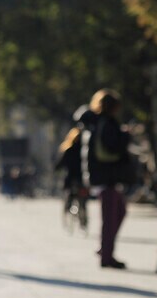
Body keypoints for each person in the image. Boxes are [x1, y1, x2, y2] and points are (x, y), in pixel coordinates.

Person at [80, 90, 131, 269]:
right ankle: (106, 257)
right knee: (109, 217)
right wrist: (125, 135)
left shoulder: (94, 123)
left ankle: (105, 249)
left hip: (100, 176)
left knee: (119, 211)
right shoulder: (107, 123)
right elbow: (113, 147)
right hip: (107, 176)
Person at [54, 127, 88, 229]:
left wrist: (56, 169)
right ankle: (83, 220)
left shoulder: (68, 149)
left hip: (70, 178)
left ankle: (68, 208)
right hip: (82, 178)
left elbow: (60, 164)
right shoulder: (84, 150)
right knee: (82, 199)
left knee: (69, 194)